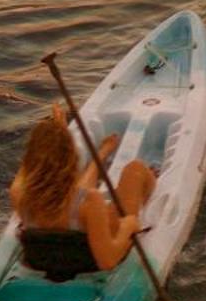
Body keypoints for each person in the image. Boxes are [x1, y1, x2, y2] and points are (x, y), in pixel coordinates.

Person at [11, 102, 157, 281]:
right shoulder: (91, 201)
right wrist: (128, 226)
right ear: (71, 158)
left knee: (78, 196)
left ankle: (102, 154)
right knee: (135, 171)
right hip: (91, 259)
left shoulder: (19, 195)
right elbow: (108, 262)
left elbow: (31, 168)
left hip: (46, 259)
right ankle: (151, 186)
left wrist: (59, 131)